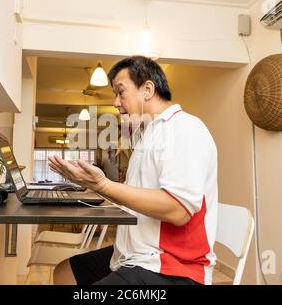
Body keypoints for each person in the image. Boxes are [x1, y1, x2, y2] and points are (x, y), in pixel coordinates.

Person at [48, 56, 218, 285]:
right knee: (64, 272)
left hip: (171, 268)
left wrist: (103, 185)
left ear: (147, 89)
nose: (116, 102)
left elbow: (178, 210)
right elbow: (133, 198)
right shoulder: (146, 136)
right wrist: (92, 184)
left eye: (121, 92)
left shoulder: (185, 128)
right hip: (132, 255)